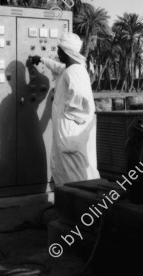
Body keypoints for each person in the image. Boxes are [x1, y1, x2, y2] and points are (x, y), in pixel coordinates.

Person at [30, 32, 100, 185]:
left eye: (59, 50)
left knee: (76, 172)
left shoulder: (74, 72)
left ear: (66, 51)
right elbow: (58, 67)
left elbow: (82, 101)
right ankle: (70, 201)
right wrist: (41, 59)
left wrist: (68, 118)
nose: (57, 53)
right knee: (65, 169)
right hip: (67, 132)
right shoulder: (70, 68)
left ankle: (82, 203)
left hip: (71, 132)